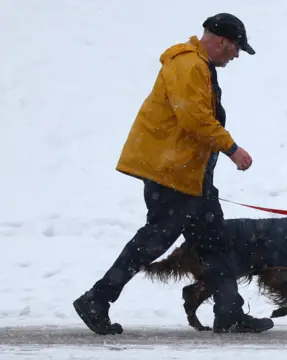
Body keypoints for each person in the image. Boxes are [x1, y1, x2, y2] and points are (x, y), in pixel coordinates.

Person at [72, 13, 274, 335]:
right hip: (172, 175)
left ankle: (229, 313)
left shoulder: (198, 66)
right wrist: (231, 148)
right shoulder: (188, 64)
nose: (236, 55)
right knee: (154, 240)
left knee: (215, 242)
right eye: (237, 48)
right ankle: (97, 298)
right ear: (223, 41)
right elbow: (194, 119)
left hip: (191, 177)